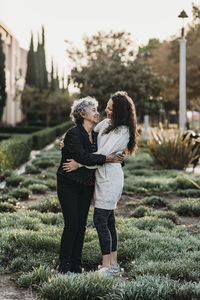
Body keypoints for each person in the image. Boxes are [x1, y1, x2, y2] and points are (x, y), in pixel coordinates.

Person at [63, 91, 138, 276]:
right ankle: (113, 265)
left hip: (110, 180)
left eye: (110, 108)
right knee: (109, 221)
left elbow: (102, 155)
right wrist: (67, 140)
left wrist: (79, 163)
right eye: (106, 106)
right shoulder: (107, 124)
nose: (105, 110)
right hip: (101, 178)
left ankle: (106, 267)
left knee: (100, 220)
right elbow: (88, 134)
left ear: (119, 111)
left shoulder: (123, 131)